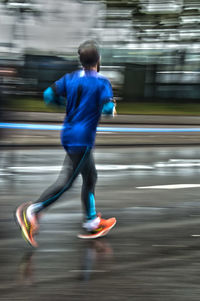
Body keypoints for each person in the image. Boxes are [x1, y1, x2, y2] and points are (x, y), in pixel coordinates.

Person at [15, 40, 117, 247]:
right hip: (82, 139)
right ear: (98, 60)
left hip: (68, 133)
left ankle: (92, 222)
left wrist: (68, 106)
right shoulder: (101, 82)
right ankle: (33, 211)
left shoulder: (70, 78)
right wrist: (111, 108)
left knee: (90, 177)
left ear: (81, 61)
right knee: (68, 182)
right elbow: (107, 110)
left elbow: (47, 95)